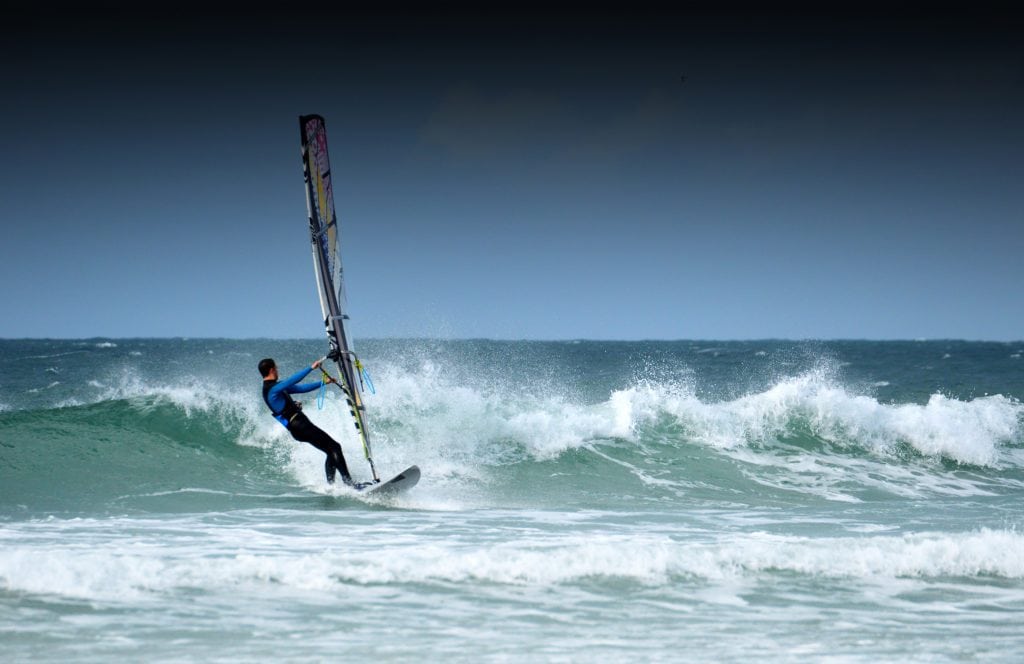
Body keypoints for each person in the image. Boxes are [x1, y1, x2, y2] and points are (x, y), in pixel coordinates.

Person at [259, 357, 360, 487]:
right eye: (276, 368)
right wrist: (311, 368)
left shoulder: (275, 388)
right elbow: (292, 381)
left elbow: (301, 388)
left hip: (298, 426)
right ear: (272, 370)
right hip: (300, 426)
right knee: (335, 447)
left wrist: (324, 382)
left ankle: (331, 486)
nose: (278, 370)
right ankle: (350, 483)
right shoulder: (271, 389)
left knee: (330, 450)